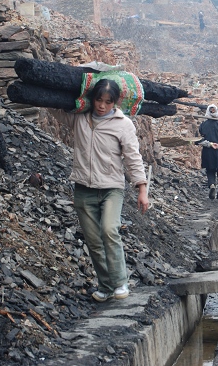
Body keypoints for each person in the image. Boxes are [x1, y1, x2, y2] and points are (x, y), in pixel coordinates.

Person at [52, 79, 149, 302]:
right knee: (94, 241)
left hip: (111, 188)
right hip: (83, 188)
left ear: (115, 102)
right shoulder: (79, 118)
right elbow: (54, 108)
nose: (102, 106)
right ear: (91, 98)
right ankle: (105, 286)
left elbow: (133, 157)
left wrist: (142, 189)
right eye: (98, 100)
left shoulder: (123, 124)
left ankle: (120, 282)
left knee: (109, 230)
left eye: (108, 102)